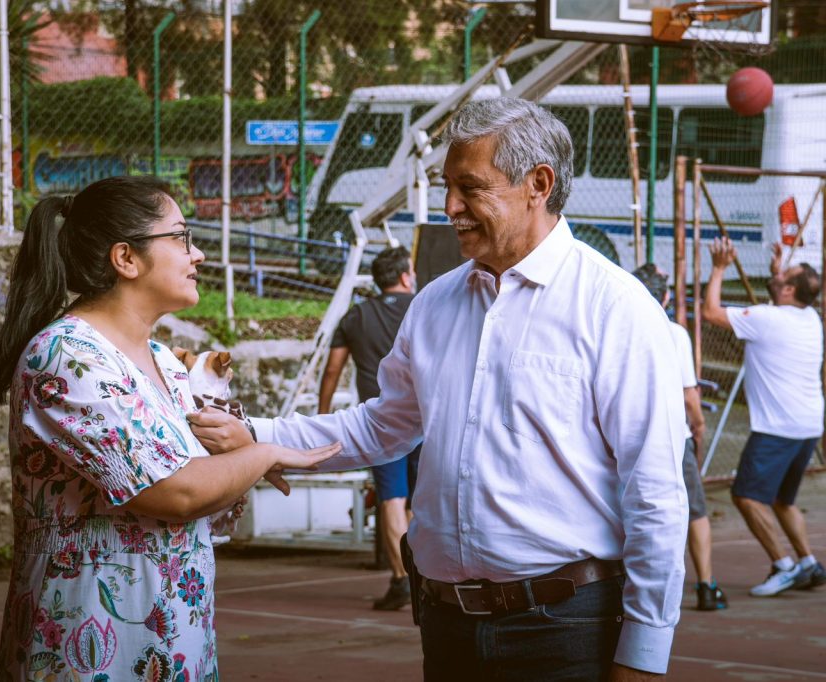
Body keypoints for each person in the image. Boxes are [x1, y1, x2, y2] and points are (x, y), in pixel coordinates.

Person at [191, 98, 688, 680]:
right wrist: (257, 437)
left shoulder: (615, 307)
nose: (450, 207)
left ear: (539, 184)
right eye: (447, 187)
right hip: (447, 624)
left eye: (470, 188)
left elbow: (655, 491)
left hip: (567, 626)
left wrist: (643, 655)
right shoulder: (435, 303)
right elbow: (382, 425)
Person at [0, 176, 339, 681]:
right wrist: (263, 454)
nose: (198, 255)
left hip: (175, 639)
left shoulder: (165, 363)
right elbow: (176, 493)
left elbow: (201, 493)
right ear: (126, 258)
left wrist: (234, 448)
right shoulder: (66, 356)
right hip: (90, 642)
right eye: (181, 237)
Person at [701, 237, 826, 596]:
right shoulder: (810, 317)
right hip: (808, 425)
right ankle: (808, 562)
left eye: (785, 274)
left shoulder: (767, 319)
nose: (779, 272)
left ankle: (783, 566)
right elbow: (781, 303)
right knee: (783, 501)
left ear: (788, 290)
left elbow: (711, 312)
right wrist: (777, 274)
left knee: (746, 496)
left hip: (777, 428)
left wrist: (719, 269)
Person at [318, 246, 421, 611]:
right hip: (426, 418)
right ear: (406, 276)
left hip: (382, 424)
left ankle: (402, 579)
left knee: (392, 498)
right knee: (420, 500)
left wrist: (323, 415)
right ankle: (422, 577)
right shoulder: (425, 306)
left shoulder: (356, 315)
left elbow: (333, 369)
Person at [633, 263, 727, 611]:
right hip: (673, 436)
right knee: (694, 510)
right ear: (666, 298)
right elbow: (690, 395)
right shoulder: (674, 333)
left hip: (629, 436)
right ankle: (706, 584)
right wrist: (698, 425)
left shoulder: (621, 328)